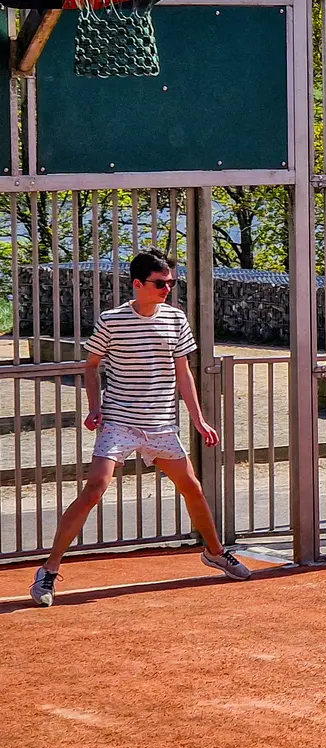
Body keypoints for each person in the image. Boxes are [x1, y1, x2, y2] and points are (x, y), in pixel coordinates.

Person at [30, 249, 250, 606]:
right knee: (95, 488)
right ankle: (48, 571)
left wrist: (199, 419)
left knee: (192, 487)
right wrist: (95, 408)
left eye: (171, 283)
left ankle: (215, 552)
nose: (167, 289)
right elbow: (91, 366)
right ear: (137, 284)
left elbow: (183, 373)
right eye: (160, 283)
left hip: (161, 423)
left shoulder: (176, 319)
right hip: (119, 421)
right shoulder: (112, 321)